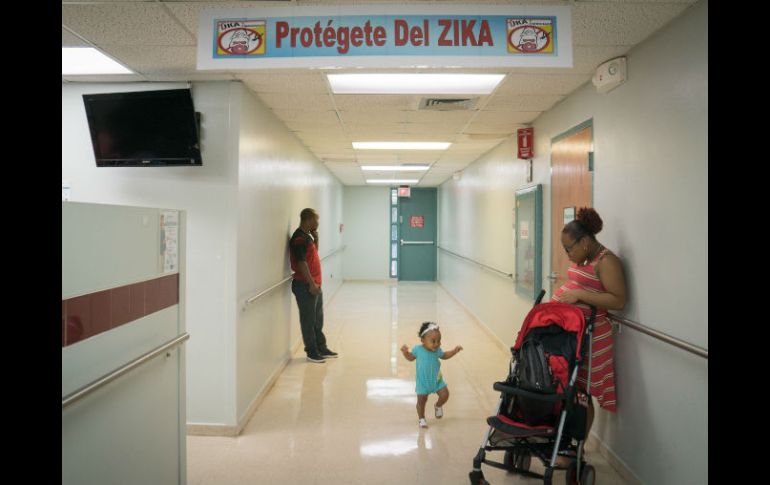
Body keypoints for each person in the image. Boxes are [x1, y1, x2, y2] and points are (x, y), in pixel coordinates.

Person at [550, 207, 626, 435]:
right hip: (574, 334)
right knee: (567, 386)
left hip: (592, 337)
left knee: (580, 392)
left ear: (584, 242)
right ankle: (562, 438)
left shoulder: (607, 261)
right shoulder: (585, 258)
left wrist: (579, 295)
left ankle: (576, 447)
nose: (567, 254)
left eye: (568, 248)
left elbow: (618, 300)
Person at [289, 208, 338, 363]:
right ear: (308, 219)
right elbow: (302, 263)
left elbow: (311, 257)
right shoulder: (299, 238)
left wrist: (316, 239)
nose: (317, 223)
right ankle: (311, 352)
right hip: (305, 286)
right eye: (316, 220)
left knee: (317, 319)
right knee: (308, 321)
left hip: (314, 285)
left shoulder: (307, 237)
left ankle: (321, 348)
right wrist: (311, 283)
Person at [400, 322, 463, 428]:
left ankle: (438, 405)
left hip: (437, 381)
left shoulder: (437, 350)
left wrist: (454, 351)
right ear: (423, 340)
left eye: (439, 341)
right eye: (433, 341)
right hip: (423, 383)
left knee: (445, 395)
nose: (437, 344)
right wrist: (405, 353)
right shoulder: (418, 349)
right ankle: (421, 418)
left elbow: (444, 355)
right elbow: (410, 358)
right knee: (421, 401)